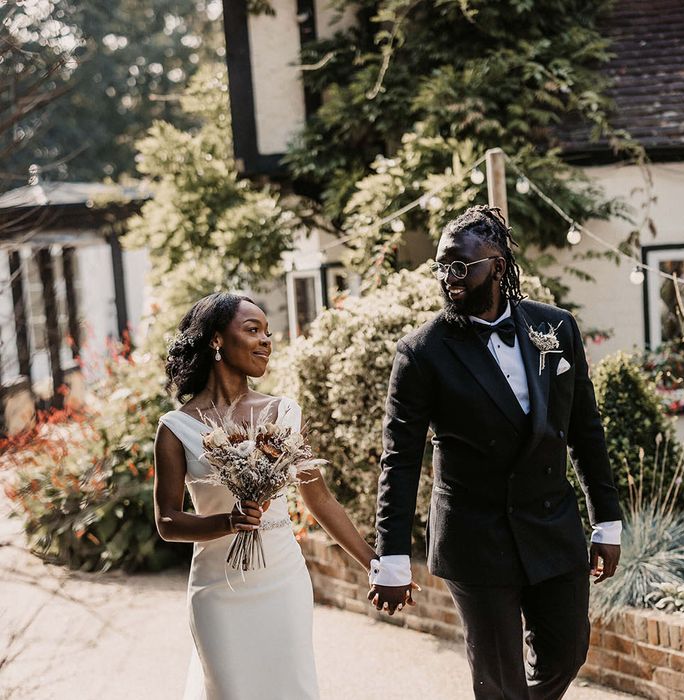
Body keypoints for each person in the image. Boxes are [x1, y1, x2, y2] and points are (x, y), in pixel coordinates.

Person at [368, 205, 622, 700]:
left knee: (567, 654)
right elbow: (399, 460)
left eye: (462, 266)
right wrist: (392, 557)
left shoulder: (556, 328)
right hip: (475, 536)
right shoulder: (421, 353)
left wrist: (606, 521)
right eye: (443, 266)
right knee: (499, 681)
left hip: (551, 525)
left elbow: (585, 430)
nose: (450, 278)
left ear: (498, 266)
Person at [154, 292, 377, 700]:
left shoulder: (284, 412)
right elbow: (167, 521)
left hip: (282, 581)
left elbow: (319, 498)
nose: (266, 341)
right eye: (252, 330)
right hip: (216, 588)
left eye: (268, 332)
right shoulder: (175, 427)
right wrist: (227, 522)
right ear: (217, 340)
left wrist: (373, 563)